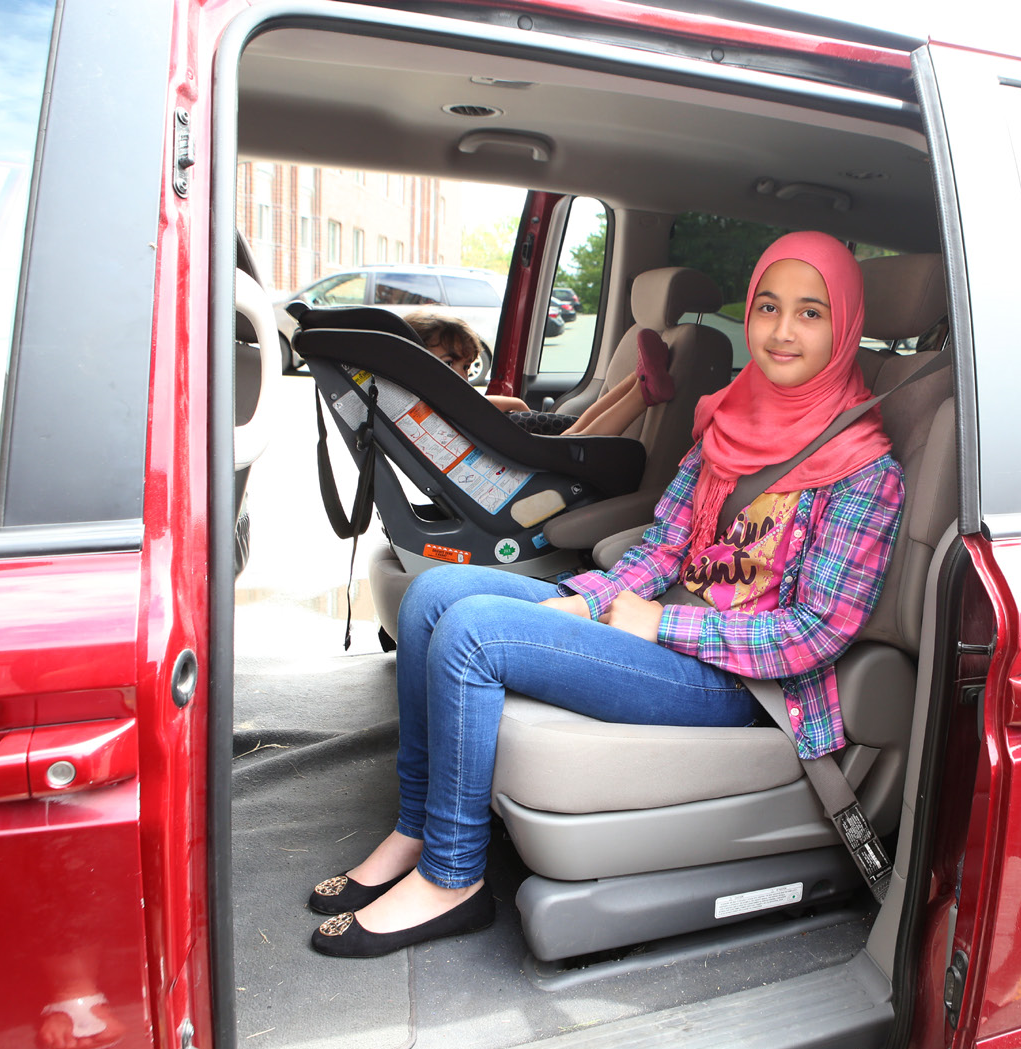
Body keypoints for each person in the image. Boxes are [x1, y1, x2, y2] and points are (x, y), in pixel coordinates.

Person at [307, 231, 906, 958]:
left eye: (811, 313)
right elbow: (661, 548)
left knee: (473, 634)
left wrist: (660, 626)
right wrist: (592, 603)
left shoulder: (865, 471)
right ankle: (416, 827)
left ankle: (454, 877)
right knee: (435, 594)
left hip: (746, 683)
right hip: (659, 630)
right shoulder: (726, 421)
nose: (783, 330)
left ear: (843, 326)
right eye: (770, 307)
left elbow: (814, 632)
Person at [407, 308, 676, 436]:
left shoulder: (445, 400)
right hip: (515, 465)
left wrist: (522, 412)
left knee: (579, 426)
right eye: (447, 364)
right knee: (576, 440)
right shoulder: (423, 408)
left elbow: (500, 404)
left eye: (466, 367)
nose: (462, 376)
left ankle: (636, 378)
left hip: (513, 443)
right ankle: (643, 392)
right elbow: (507, 405)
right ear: (416, 363)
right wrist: (522, 412)